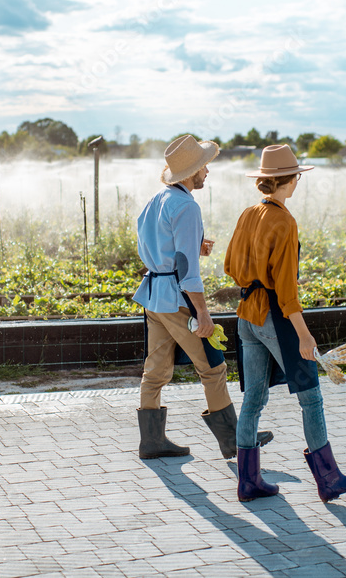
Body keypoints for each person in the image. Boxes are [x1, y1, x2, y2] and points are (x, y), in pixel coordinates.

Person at [224, 144, 346, 502]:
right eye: (297, 177)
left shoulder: (248, 213)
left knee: (254, 399)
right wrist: (305, 337)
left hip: (245, 315)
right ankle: (329, 478)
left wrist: (255, 280)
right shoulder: (285, 221)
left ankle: (248, 481)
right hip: (275, 315)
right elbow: (286, 291)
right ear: (290, 180)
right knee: (311, 398)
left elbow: (229, 265)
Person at [133, 135, 272, 460]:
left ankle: (151, 441)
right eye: (202, 166)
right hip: (177, 299)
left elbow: (153, 245)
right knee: (212, 366)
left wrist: (192, 246)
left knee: (155, 369)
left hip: (153, 295)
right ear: (188, 173)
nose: (207, 171)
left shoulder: (158, 200)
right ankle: (234, 441)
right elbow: (186, 268)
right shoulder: (187, 206)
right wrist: (203, 313)